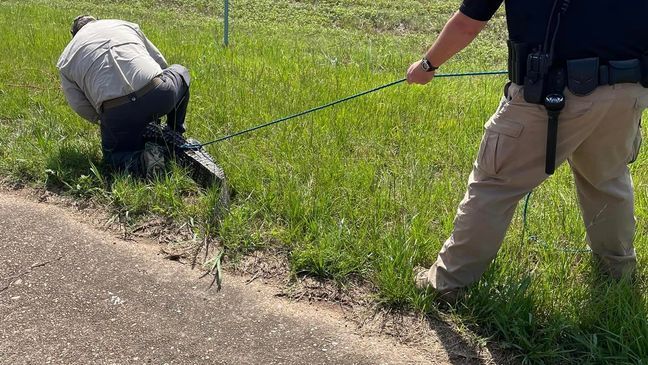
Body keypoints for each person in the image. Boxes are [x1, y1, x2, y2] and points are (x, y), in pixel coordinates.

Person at [407, 0, 646, 302]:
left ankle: (447, 282)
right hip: (626, 93)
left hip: (549, 95)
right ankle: (618, 276)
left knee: (494, 185)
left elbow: (468, 24)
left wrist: (427, 65)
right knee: (608, 182)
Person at [57, 15, 191, 177]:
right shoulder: (124, 25)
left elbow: (79, 105)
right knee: (181, 71)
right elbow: (160, 63)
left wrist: (105, 121)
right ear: (97, 20)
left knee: (114, 158)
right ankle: (174, 134)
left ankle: (140, 161)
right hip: (158, 94)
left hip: (117, 113)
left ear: (73, 35)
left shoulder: (66, 58)